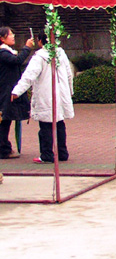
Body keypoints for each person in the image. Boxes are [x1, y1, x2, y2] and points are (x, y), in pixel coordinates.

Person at [11, 31, 74, 164]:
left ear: (40, 41)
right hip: (60, 94)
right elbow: (69, 74)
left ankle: (47, 154)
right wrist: (69, 91)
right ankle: (62, 153)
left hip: (46, 95)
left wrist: (17, 91)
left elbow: (29, 76)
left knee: (46, 126)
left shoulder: (39, 57)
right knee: (59, 124)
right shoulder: (60, 53)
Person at [0, 27, 34, 159]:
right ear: (2, 38)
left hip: (7, 90)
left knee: (6, 120)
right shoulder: (3, 53)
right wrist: (27, 48)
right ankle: (4, 149)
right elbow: (17, 61)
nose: (13, 36)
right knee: (4, 120)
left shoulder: (7, 52)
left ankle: (4, 147)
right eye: (10, 34)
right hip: (5, 92)